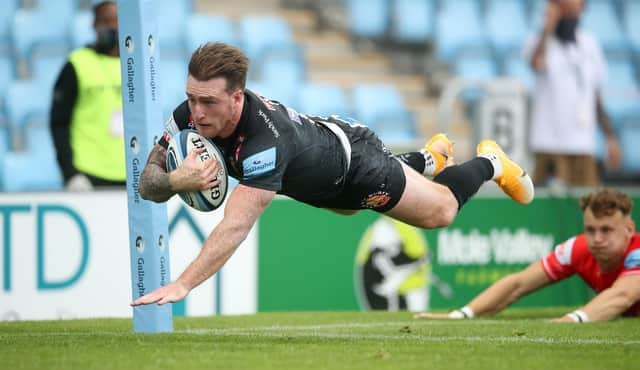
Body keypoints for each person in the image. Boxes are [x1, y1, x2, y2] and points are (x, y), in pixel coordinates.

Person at [130, 42, 535, 307]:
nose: (196, 113)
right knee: (345, 210)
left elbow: (235, 226)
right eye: (190, 99)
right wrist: (173, 181)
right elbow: (147, 181)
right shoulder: (188, 117)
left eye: (208, 102)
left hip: (355, 166)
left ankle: (492, 162)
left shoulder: (264, 142)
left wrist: (184, 283)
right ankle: (428, 160)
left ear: (237, 97)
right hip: (322, 170)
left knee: (440, 212)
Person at [415, 188, 640, 322]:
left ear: (629, 230)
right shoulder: (578, 249)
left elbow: (622, 296)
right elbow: (518, 284)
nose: (597, 238)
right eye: (590, 230)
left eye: (606, 230)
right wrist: (462, 315)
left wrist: (572, 320)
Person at [525, 0, 621, 187]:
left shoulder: (589, 43)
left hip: (582, 143)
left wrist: (610, 136)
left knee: (588, 203)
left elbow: (594, 95)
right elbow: (536, 63)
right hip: (549, 144)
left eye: (573, 11)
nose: (569, 15)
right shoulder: (540, 42)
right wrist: (548, 28)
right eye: (564, 9)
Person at [50, 0, 125, 191]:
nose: (112, 27)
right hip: (89, 176)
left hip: (132, 173)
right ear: (94, 25)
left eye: (117, 21)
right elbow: (59, 123)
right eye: (105, 21)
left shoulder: (137, 65)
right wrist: (70, 174)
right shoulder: (77, 64)